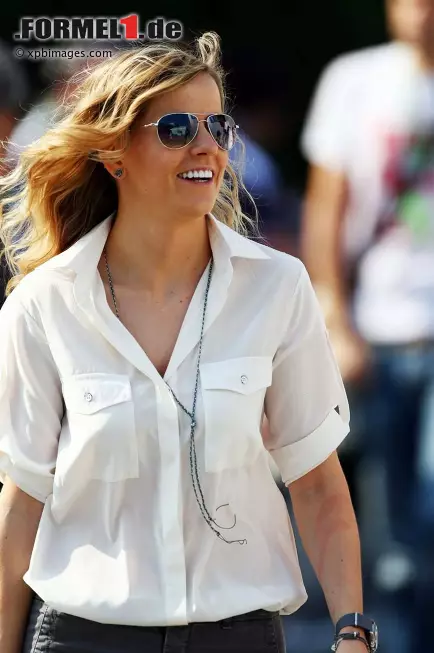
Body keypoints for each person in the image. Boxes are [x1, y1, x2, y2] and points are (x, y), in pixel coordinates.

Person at [0, 32, 377, 653]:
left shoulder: (278, 288)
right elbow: (21, 503)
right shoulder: (44, 304)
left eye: (217, 126)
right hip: (83, 639)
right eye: (176, 128)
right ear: (114, 154)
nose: (207, 146)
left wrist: (353, 632)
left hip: (241, 636)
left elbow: (317, 483)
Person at [300, 1, 434, 650]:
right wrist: (334, 316)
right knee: (389, 528)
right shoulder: (355, 79)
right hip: (379, 329)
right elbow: (326, 206)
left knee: (429, 507)